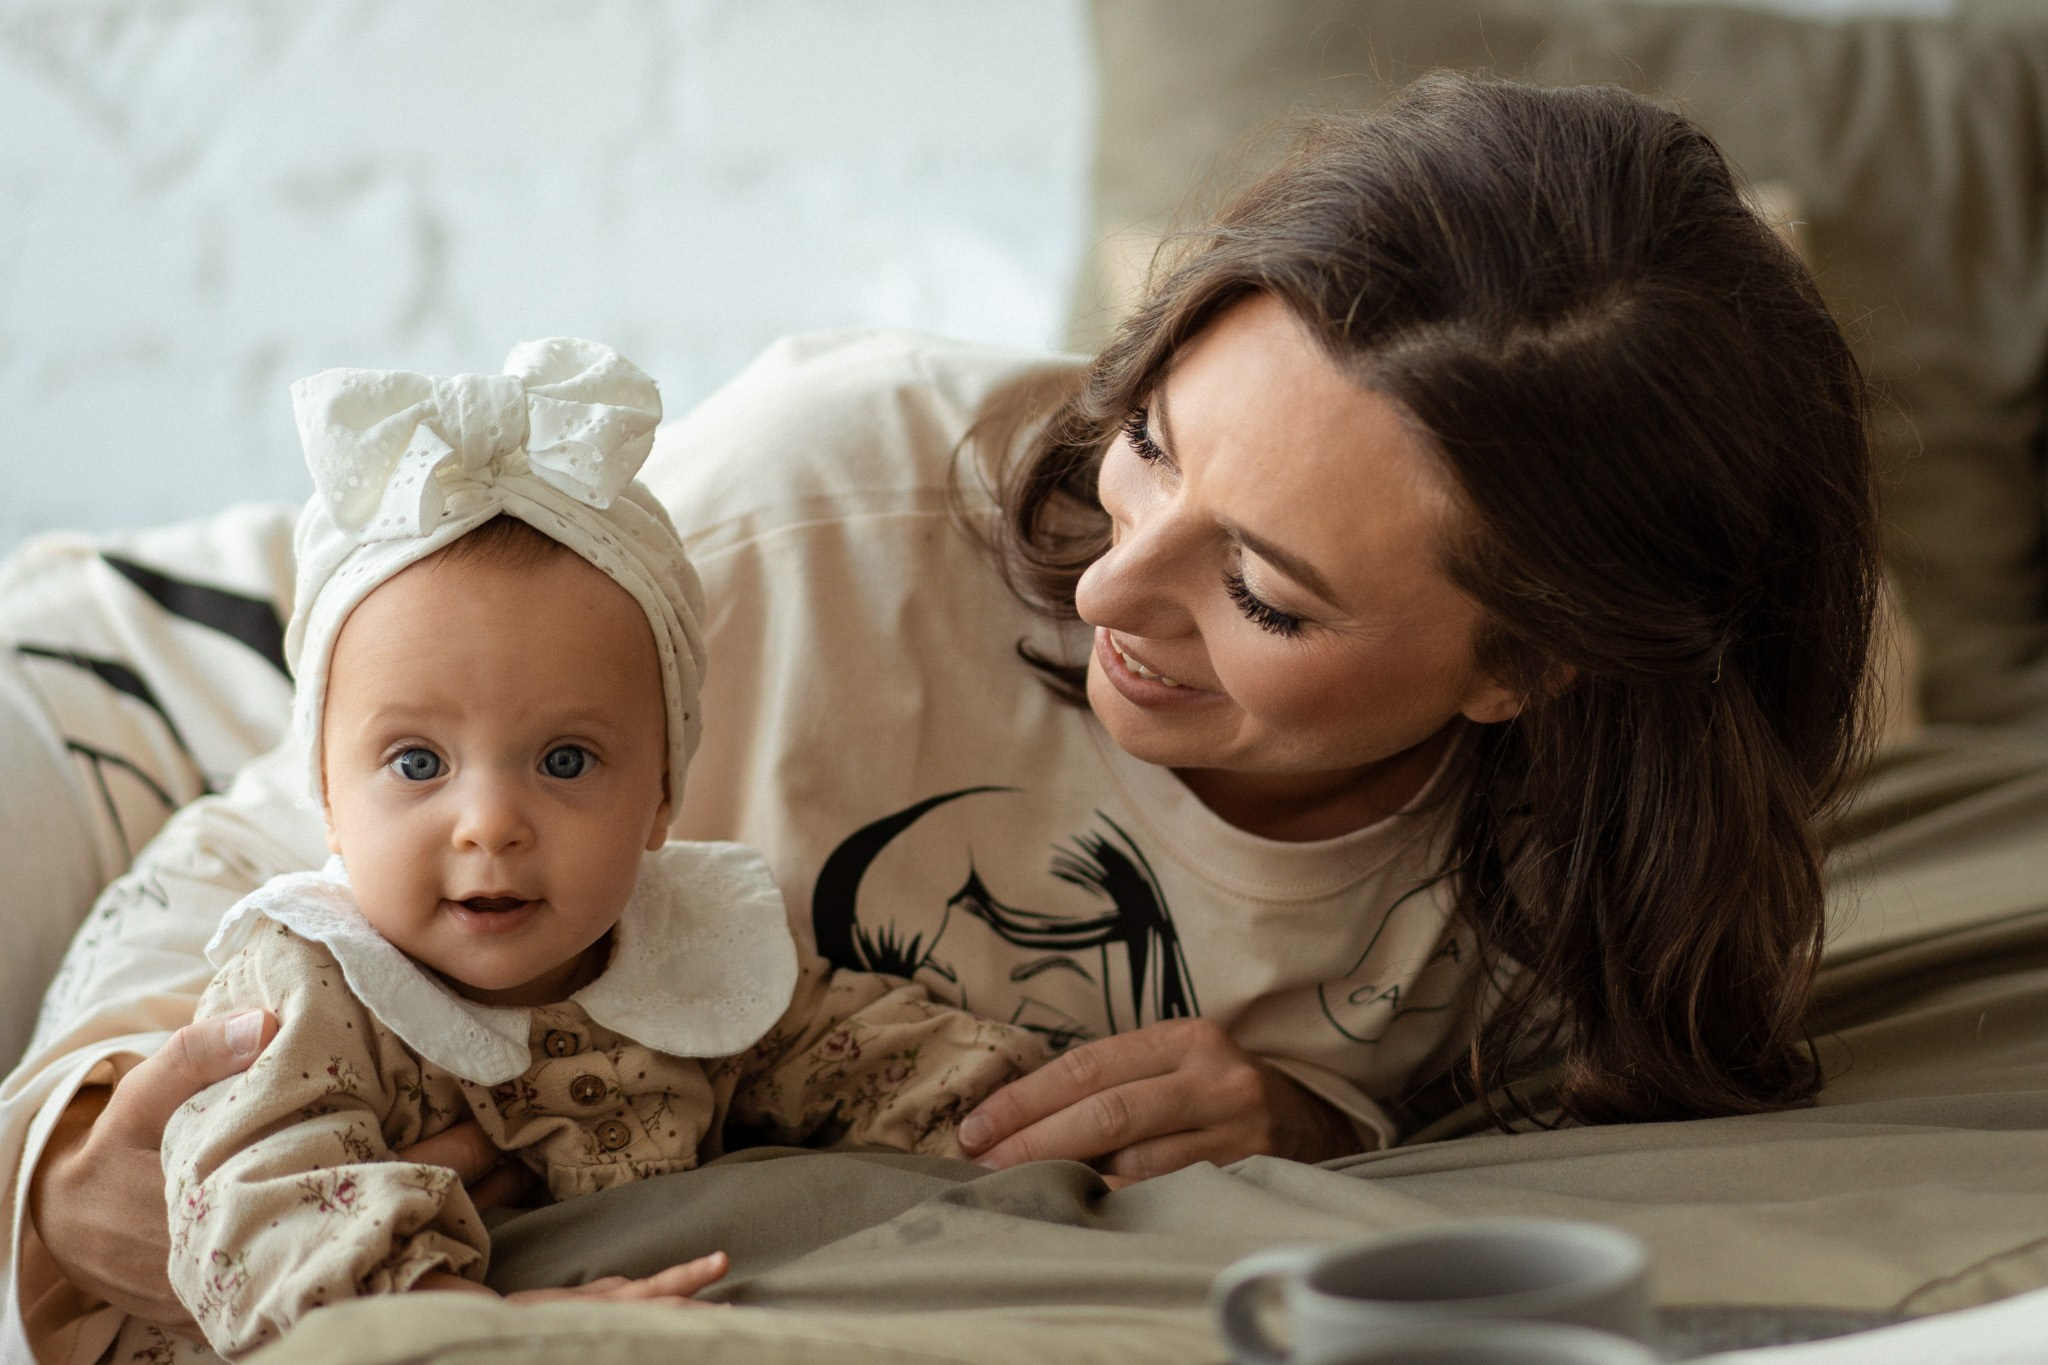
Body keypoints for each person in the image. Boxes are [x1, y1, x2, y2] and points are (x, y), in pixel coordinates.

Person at [6, 74, 1878, 1363]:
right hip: (189, 699)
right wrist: (75, 1162)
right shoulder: (831, 504)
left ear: (1527, 670)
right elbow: (280, 846)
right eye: (1145, 445)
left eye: (1264, 594)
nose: (1105, 589)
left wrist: (1327, 1123)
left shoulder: (1584, 869)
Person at [123, 340, 1044, 1362]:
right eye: (418, 762)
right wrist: (468, 1323)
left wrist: (1035, 1120)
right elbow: (259, 1195)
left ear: (660, 797)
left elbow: (870, 1060)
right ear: (330, 802)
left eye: (564, 759)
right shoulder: (314, 981)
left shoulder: (689, 951)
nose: (489, 824)